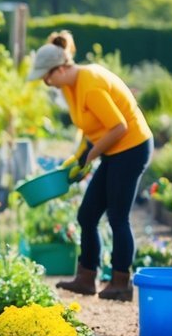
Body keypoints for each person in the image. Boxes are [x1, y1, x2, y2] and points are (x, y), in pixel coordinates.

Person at [28, 31, 152, 302]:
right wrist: (78, 157)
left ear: (60, 69)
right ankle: (86, 278)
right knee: (87, 215)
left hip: (131, 148)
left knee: (118, 217)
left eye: (47, 77)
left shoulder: (90, 83)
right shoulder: (71, 88)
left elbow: (118, 127)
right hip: (113, 151)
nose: (46, 83)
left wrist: (90, 156)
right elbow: (91, 128)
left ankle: (121, 282)